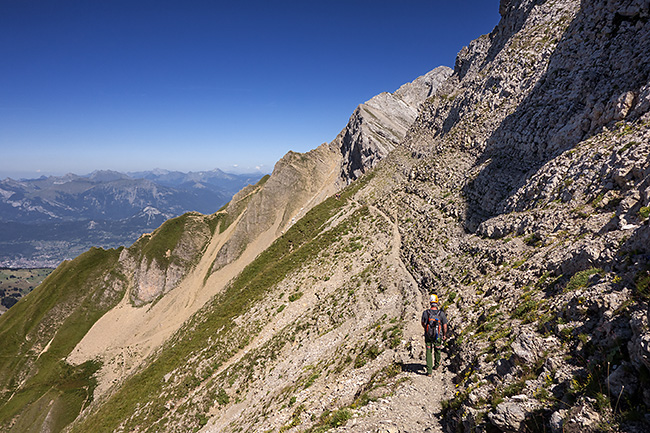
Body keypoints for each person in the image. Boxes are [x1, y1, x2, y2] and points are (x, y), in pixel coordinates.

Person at [421, 294, 448, 376]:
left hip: (428, 335)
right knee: (437, 349)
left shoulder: (426, 313)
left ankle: (429, 371)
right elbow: (445, 325)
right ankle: (436, 365)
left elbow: (423, 323)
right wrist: (444, 334)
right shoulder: (441, 314)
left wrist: (426, 329)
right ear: (437, 302)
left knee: (428, 351)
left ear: (430, 302)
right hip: (438, 335)